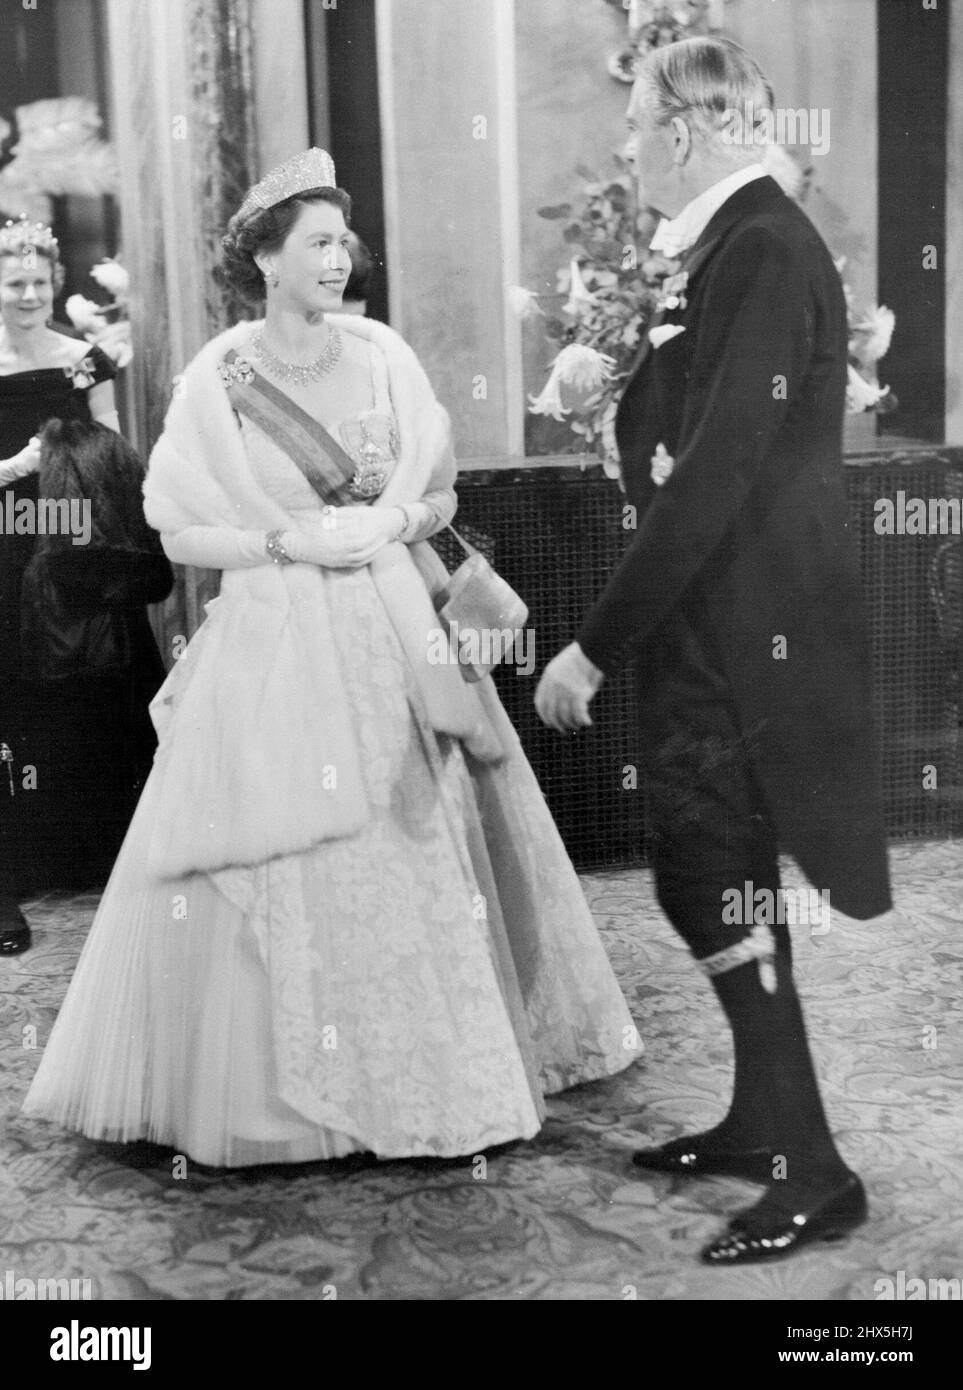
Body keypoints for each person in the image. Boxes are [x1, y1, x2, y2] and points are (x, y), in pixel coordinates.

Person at [22, 149, 639, 1167]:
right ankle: (281, 1098)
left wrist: (397, 515)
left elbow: (439, 498)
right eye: (317, 242)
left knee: (421, 845)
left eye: (343, 243)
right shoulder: (217, 381)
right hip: (273, 636)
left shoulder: (385, 355)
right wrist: (278, 542)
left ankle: (441, 1071)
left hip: (397, 632)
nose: (338, 259)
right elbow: (176, 531)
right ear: (265, 259)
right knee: (273, 848)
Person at [536, 38, 892, 1264]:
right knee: (715, 866)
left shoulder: (760, 247)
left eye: (638, 123)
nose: (630, 143)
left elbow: (725, 466)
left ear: (682, 132)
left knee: (711, 874)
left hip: (750, 636)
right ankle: (763, 1121)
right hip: (725, 628)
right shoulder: (740, 244)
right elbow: (695, 438)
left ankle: (813, 1169)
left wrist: (590, 645)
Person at [0, 217, 171, 956]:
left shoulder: (82, 360)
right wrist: (20, 466)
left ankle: (117, 859)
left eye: (41, 280)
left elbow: (116, 452)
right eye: (15, 282)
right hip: (7, 540)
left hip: (75, 544)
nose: (31, 293)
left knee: (102, 688)